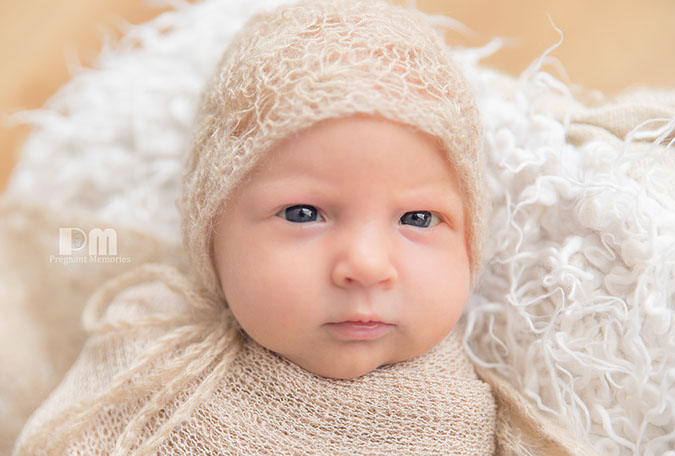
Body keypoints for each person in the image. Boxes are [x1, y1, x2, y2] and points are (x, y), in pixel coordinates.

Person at [13, 0, 497, 454]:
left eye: (417, 219)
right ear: (210, 229)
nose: (367, 266)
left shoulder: (458, 414)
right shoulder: (150, 349)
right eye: (303, 213)